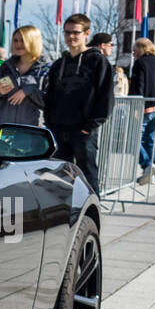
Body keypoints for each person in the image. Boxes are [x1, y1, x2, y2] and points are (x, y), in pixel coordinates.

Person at [44, 13, 113, 194]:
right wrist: (50, 123)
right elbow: (50, 95)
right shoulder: (59, 64)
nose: (70, 37)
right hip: (59, 128)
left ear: (86, 33)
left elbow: (105, 97)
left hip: (83, 130)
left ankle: (92, 214)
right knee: (60, 177)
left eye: (75, 32)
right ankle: (64, 213)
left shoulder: (98, 61)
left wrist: (90, 126)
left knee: (87, 174)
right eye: (67, 33)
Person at [0, 25, 50, 133]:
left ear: (33, 42)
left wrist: (30, 90)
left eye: (23, 40)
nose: (18, 44)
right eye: (15, 40)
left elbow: (51, 103)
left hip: (31, 134)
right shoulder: (5, 67)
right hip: (3, 131)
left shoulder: (46, 69)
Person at [129, 38, 155, 184]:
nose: (133, 52)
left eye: (135, 49)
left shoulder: (140, 63)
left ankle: (147, 165)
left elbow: (138, 85)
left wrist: (136, 106)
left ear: (142, 48)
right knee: (151, 140)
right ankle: (150, 174)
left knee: (132, 139)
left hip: (145, 106)